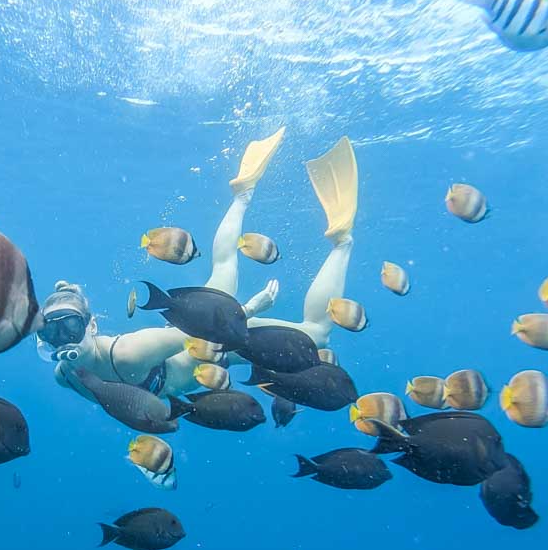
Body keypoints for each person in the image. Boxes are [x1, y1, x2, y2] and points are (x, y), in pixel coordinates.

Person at [37, 126, 360, 401]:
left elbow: (200, 331)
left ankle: (337, 239)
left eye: (71, 326)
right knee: (222, 271)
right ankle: (243, 194)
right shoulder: (63, 376)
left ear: (91, 325)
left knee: (317, 335)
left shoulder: (127, 353)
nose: (64, 338)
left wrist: (249, 309)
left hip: (213, 336)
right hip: (202, 351)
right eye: (52, 331)